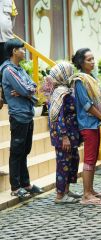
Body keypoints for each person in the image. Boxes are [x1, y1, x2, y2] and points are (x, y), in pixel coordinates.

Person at [0, 38, 43, 198]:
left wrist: (26, 91)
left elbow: (33, 86)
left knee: (25, 151)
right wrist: (25, 91)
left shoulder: (19, 69)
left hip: (27, 113)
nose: (24, 51)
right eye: (21, 49)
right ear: (14, 52)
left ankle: (26, 184)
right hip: (18, 115)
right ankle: (16, 187)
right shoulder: (8, 70)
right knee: (17, 152)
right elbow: (27, 89)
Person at [70, 48, 101, 205]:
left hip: (94, 123)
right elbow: (86, 105)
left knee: (92, 159)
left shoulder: (90, 78)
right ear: (81, 62)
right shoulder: (80, 80)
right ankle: (86, 195)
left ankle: (90, 190)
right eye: (89, 60)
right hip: (88, 123)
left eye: (93, 59)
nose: (92, 62)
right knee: (90, 159)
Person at [47, 62, 82, 204]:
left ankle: (66, 190)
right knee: (63, 163)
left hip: (71, 133)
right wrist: (64, 137)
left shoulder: (66, 89)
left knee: (72, 160)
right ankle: (60, 195)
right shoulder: (59, 92)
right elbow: (58, 116)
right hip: (64, 135)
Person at [0, 0, 17, 109]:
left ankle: (5, 97)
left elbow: (13, 18)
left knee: (7, 69)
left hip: (6, 39)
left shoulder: (10, 1)